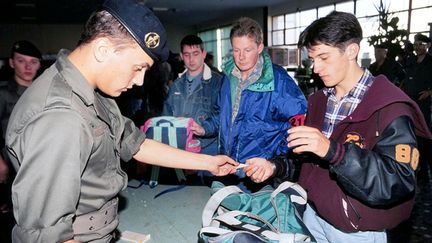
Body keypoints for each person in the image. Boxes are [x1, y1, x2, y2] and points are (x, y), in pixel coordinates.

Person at [4, 1, 237, 242]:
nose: (139, 81)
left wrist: (208, 162)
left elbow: (136, 144)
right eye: (138, 68)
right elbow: (48, 236)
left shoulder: (90, 91)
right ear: (103, 49)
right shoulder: (59, 116)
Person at [244, 11, 432, 243]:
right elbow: (306, 162)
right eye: (313, 59)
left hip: (357, 230)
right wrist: (275, 166)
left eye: (324, 57)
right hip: (312, 216)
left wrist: (333, 151)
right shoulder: (318, 101)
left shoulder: (390, 108)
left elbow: (398, 181)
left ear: (352, 51)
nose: (315, 68)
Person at [191, 17, 307, 191]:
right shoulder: (228, 77)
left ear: (260, 48)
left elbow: (299, 125)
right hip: (229, 167)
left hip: (260, 174)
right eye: (236, 50)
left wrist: (274, 161)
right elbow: (220, 116)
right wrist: (204, 129)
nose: (241, 57)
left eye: (247, 49)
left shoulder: (278, 81)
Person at [0, 40, 41, 242]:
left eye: (33, 62)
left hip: (40, 166)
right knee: (15, 221)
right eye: (21, 61)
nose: (27, 67)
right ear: (11, 63)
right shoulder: (2, 94)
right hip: (11, 168)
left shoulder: (45, 93)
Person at [163, 35, 223, 156]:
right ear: (181, 56)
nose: (191, 59)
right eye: (186, 55)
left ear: (203, 54)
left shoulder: (218, 83)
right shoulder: (176, 85)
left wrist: (204, 129)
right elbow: (166, 115)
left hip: (208, 149)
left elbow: (222, 118)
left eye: (195, 54)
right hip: (180, 149)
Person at [402, 33, 432, 181]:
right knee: (410, 132)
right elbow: (405, 78)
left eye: (421, 44)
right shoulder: (411, 60)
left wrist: (430, 92)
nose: (418, 46)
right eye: (416, 44)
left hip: (424, 103)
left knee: (423, 134)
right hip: (409, 102)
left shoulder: (430, 61)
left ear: (428, 46)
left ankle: (424, 168)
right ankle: (413, 164)